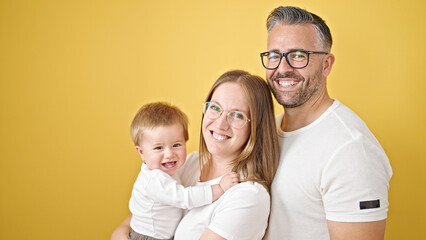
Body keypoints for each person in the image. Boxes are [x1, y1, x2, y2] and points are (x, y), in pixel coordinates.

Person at [260, 6, 393, 240]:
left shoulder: (351, 149)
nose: (282, 68)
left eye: (298, 55)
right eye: (274, 55)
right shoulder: (268, 130)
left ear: (326, 65)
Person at [111, 70, 279, 240]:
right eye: (215, 108)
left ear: (257, 127)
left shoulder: (248, 196)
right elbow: (136, 221)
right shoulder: (186, 163)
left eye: (237, 115)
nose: (220, 124)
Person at [126, 102, 239, 240]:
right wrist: (219, 188)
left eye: (176, 145)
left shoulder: (168, 171)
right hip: (149, 237)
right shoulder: (154, 179)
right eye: (158, 148)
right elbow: (185, 198)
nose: (169, 154)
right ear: (141, 152)